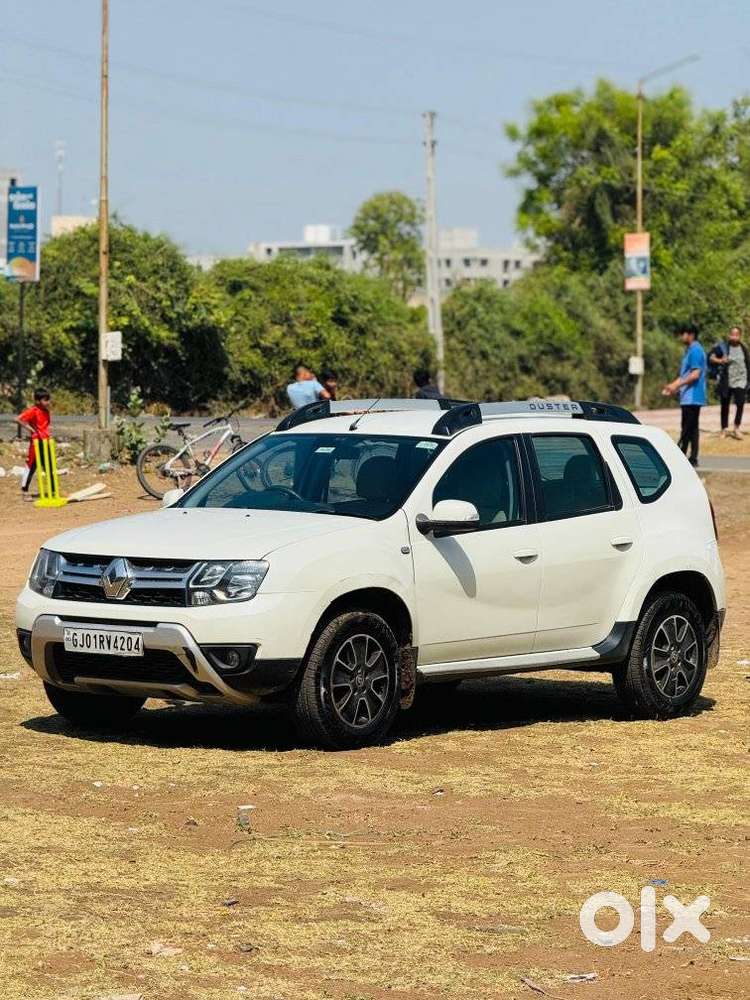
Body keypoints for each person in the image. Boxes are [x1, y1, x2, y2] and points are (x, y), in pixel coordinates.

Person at [662, 324, 707, 467]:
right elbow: (684, 375)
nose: (682, 336)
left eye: (683, 333)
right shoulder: (690, 351)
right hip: (687, 396)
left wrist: (677, 385)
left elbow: (695, 374)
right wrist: (672, 386)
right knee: (690, 427)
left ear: (691, 335)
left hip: (693, 396)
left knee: (688, 428)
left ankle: (686, 457)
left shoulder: (696, 351)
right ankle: (690, 458)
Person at [709, 325, 749, 439]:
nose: (734, 337)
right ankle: (724, 429)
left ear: (740, 336)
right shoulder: (723, 347)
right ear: (729, 335)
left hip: (741, 381)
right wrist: (720, 360)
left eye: (736, 335)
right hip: (727, 381)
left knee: (740, 404)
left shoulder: (743, 348)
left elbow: (747, 364)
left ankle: (737, 428)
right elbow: (711, 357)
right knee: (725, 405)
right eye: (732, 334)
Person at [15, 388, 52, 500]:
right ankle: (25, 491)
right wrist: (31, 430)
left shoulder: (46, 411)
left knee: (48, 466)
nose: (48, 402)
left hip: (45, 442)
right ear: (37, 401)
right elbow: (18, 419)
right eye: (45, 400)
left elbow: (44, 426)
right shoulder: (33, 410)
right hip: (36, 442)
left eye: (48, 400)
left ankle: (53, 490)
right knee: (31, 466)